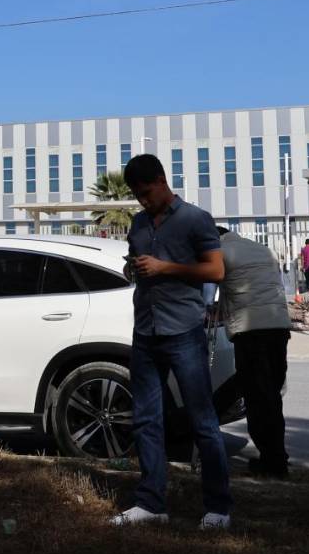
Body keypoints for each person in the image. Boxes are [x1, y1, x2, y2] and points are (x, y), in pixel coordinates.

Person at [110, 154, 233, 530]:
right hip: (145, 330)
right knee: (146, 418)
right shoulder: (138, 223)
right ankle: (151, 502)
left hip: (183, 330)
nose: (142, 200)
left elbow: (216, 269)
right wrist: (134, 268)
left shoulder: (196, 219)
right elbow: (139, 265)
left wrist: (166, 268)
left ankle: (218, 508)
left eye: (146, 192)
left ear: (162, 181)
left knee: (202, 420)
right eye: (136, 195)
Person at [214, 227, 292, 478]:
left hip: (251, 330)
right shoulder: (262, 250)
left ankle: (273, 463)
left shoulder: (220, 252)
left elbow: (215, 282)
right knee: (271, 395)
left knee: (258, 399)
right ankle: (277, 456)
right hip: (278, 325)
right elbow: (256, 287)